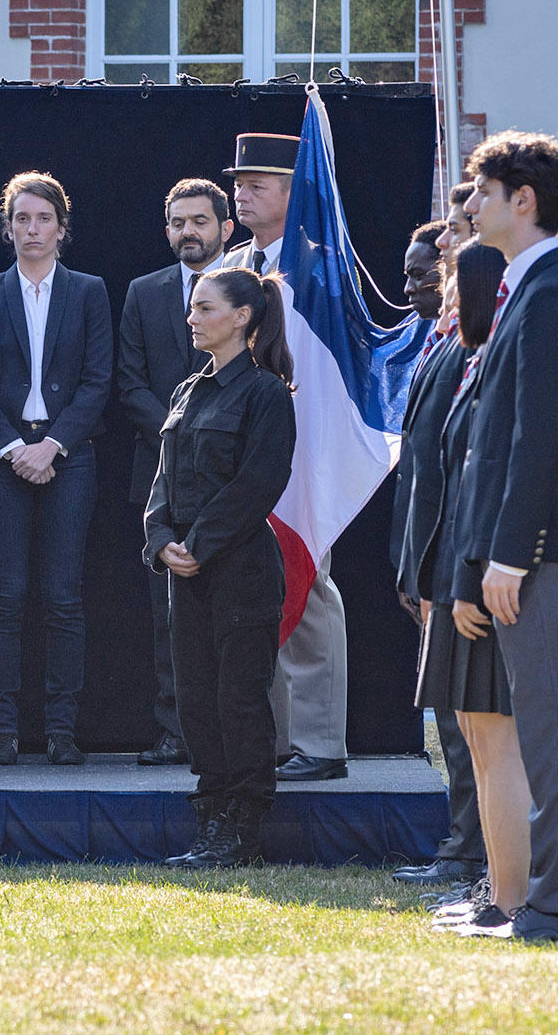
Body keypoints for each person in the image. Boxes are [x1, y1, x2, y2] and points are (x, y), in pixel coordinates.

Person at [454, 131, 558, 943]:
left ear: (524, 200)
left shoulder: (548, 295)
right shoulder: (526, 289)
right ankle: (548, 897)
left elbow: (535, 441)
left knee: (547, 730)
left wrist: (511, 553)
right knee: (541, 727)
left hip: (536, 555)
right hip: (521, 551)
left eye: (482, 189)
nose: (470, 203)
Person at [0, 170, 113, 766]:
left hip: (70, 458)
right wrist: (13, 448)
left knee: (64, 597)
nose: (32, 229)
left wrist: (53, 447)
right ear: (8, 227)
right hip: (0, 460)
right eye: (21, 218)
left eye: (43, 218)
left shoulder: (89, 291)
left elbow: (99, 381)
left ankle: (62, 731)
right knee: (5, 595)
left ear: (61, 228)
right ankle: (2, 730)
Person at [144, 267, 298, 868]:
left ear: (241, 317)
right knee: (197, 702)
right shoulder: (188, 390)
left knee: (238, 699)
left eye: (205, 308)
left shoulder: (265, 393)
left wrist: (200, 543)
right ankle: (210, 821)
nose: (192, 317)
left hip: (240, 572)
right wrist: (160, 540)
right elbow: (164, 479)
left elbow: (259, 483)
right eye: (192, 307)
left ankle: (243, 830)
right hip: (188, 571)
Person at [220, 132, 349, 784]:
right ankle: (269, 738)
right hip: (246, 449)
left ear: (290, 191)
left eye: (256, 183)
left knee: (307, 586)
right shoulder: (235, 263)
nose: (241, 192)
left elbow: (330, 370)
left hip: (303, 452)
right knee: (254, 593)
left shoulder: (320, 267)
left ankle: (320, 741)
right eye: (237, 183)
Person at [415, 245, 528, 937]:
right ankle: (494, 885)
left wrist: (462, 580)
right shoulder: (470, 363)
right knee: (474, 738)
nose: (444, 299)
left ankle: (510, 896)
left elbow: (483, 485)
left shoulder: (489, 370)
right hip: (456, 567)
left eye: (455, 289)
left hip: (481, 575)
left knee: (495, 742)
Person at [116, 177, 231, 768]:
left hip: (232, 479)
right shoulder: (143, 291)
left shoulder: (248, 288)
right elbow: (128, 380)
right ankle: (174, 730)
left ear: (224, 229)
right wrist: (179, 429)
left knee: (231, 615)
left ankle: (228, 734)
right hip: (159, 480)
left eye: (200, 221)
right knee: (167, 618)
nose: (189, 231)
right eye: (179, 222)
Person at [387, 221, 488, 892]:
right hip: (425, 560)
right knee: (446, 722)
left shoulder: (464, 350)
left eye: (422, 275)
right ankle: (461, 848)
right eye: (406, 274)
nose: (409, 287)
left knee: (463, 722)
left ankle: (468, 855)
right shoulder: (429, 346)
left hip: (455, 563)